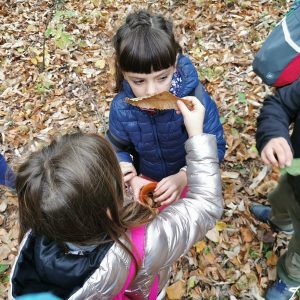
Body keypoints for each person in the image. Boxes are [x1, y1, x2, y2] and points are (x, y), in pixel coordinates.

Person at [10, 97, 223, 299]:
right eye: (115, 181)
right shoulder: (143, 244)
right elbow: (206, 205)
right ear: (107, 209)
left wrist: (125, 190)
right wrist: (196, 135)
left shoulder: (39, 225)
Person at [107, 10, 225, 205]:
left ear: (175, 63)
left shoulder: (194, 101)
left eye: (162, 77)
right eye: (138, 81)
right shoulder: (122, 108)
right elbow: (116, 145)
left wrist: (184, 177)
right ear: (123, 72)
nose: (151, 90)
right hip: (147, 182)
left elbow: (217, 146)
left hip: (191, 179)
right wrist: (126, 169)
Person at [251, 78, 300, 299]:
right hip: (295, 177)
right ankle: (280, 221)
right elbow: (280, 103)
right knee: (281, 199)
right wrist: (273, 134)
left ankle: (290, 279)